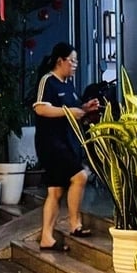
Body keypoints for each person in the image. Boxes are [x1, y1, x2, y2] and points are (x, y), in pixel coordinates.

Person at [32, 42, 100, 250]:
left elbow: (72, 110)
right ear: (60, 61)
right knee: (80, 176)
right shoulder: (48, 81)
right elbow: (41, 109)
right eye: (72, 61)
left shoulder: (68, 84)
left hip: (67, 141)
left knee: (55, 191)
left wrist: (84, 109)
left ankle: (47, 237)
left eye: (76, 61)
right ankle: (74, 223)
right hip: (51, 143)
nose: (75, 65)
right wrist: (69, 111)